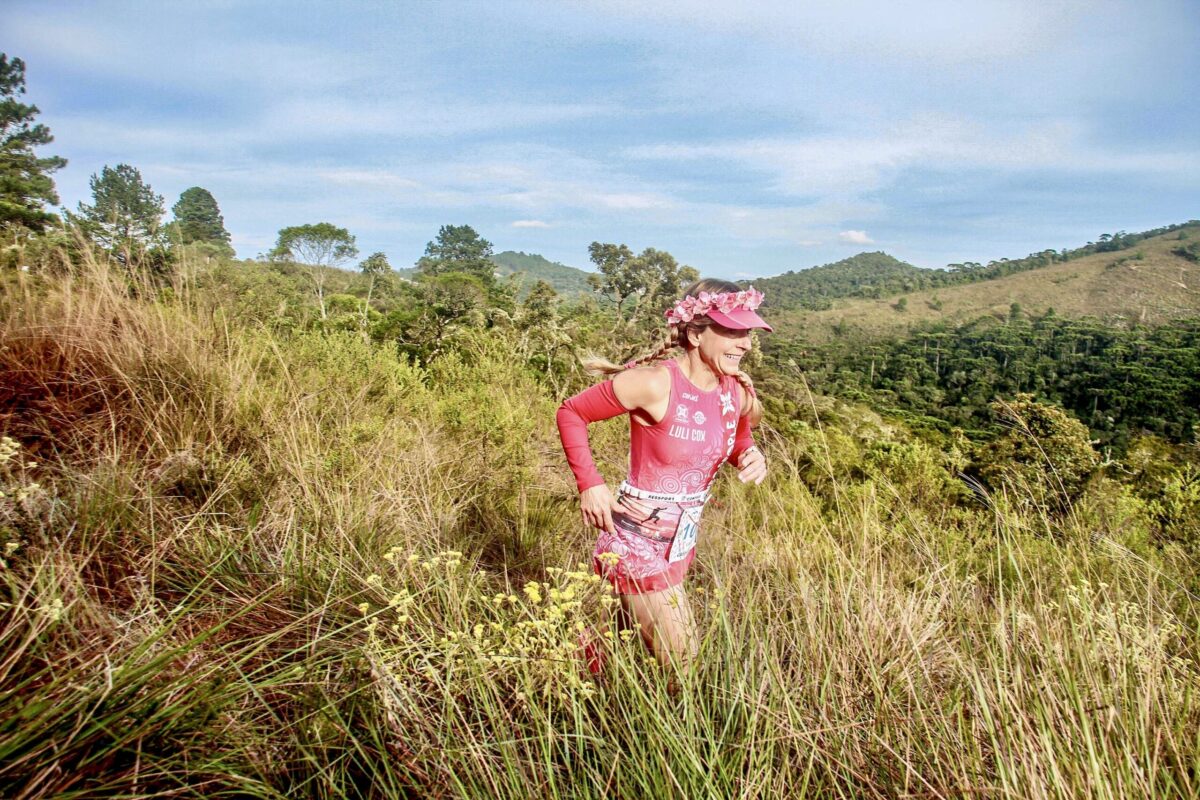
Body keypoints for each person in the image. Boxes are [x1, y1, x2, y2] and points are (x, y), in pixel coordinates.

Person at [555, 278, 771, 674]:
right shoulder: (656, 383)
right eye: (733, 332)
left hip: (680, 544)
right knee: (684, 663)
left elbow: (738, 434)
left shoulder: (735, 392)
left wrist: (748, 454)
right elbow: (572, 412)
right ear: (695, 334)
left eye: (748, 334)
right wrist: (590, 484)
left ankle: (566, 694)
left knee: (606, 645)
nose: (745, 344)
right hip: (635, 542)